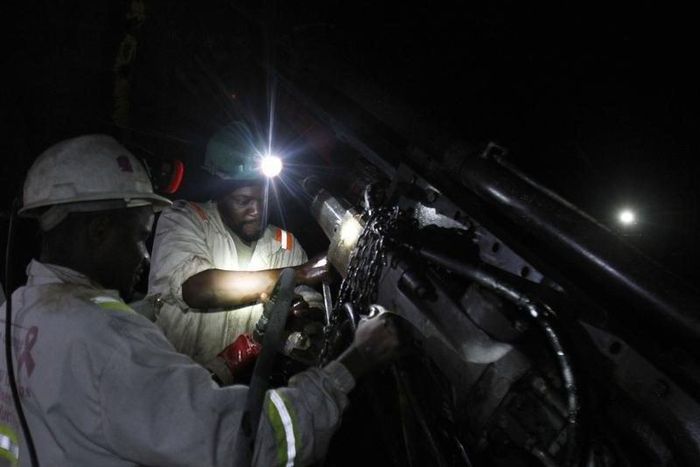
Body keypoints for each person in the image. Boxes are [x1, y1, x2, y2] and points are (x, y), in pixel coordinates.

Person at [0, 134, 399, 466]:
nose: (143, 255)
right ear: (99, 231)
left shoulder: (14, 316)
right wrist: (354, 361)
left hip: (199, 392)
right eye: (140, 237)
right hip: (191, 406)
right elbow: (247, 444)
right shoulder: (110, 341)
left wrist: (297, 326)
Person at [148, 121, 326, 372]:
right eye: (243, 201)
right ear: (219, 193)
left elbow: (310, 304)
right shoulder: (184, 220)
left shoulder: (285, 245)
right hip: (172, 386)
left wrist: (305, 318)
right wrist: (298, 274)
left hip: (237, 397)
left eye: (264, 199)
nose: (257, 211)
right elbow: (197, 288)